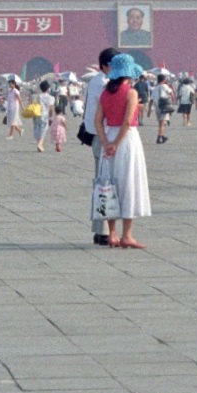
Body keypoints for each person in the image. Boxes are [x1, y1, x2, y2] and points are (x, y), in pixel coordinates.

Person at [94, 54, 151, 249]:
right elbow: (127, 122)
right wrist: (117, 144)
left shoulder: (105, 92)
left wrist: (106, 143)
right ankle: (127, 234)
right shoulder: (131, 92)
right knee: (128, 183)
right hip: (127, 141)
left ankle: (112, 234)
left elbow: (97, 120)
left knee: (108, 185)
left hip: (109, 136)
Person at [84, 48, 119, 246]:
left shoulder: (97, 80)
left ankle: (101, 230)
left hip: (100, 136)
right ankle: (103, 231)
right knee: (104, 184)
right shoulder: (103, 83)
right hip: (102, 137)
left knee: (103, 183)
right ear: (106, 65)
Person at [33, 80, 56, 152]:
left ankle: (41, 145)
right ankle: (39, 144)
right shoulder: (51, 98)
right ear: (48, 88)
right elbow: (51, 109)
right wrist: (51, 118)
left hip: (36, 114)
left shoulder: (38, 96)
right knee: (43, 130)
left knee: (37, 129)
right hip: (45, 115)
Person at [151, 74, 174, 144]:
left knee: (161, 123)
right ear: (164, 80)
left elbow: (151, 99)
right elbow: (171, 93)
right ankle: (159, 137)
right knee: (162, 123)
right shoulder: (165, 86)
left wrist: (149, 110)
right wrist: (173, 100)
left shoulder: (155, 88)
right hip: (164, 107)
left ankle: (162, 136)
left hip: (157, 107)